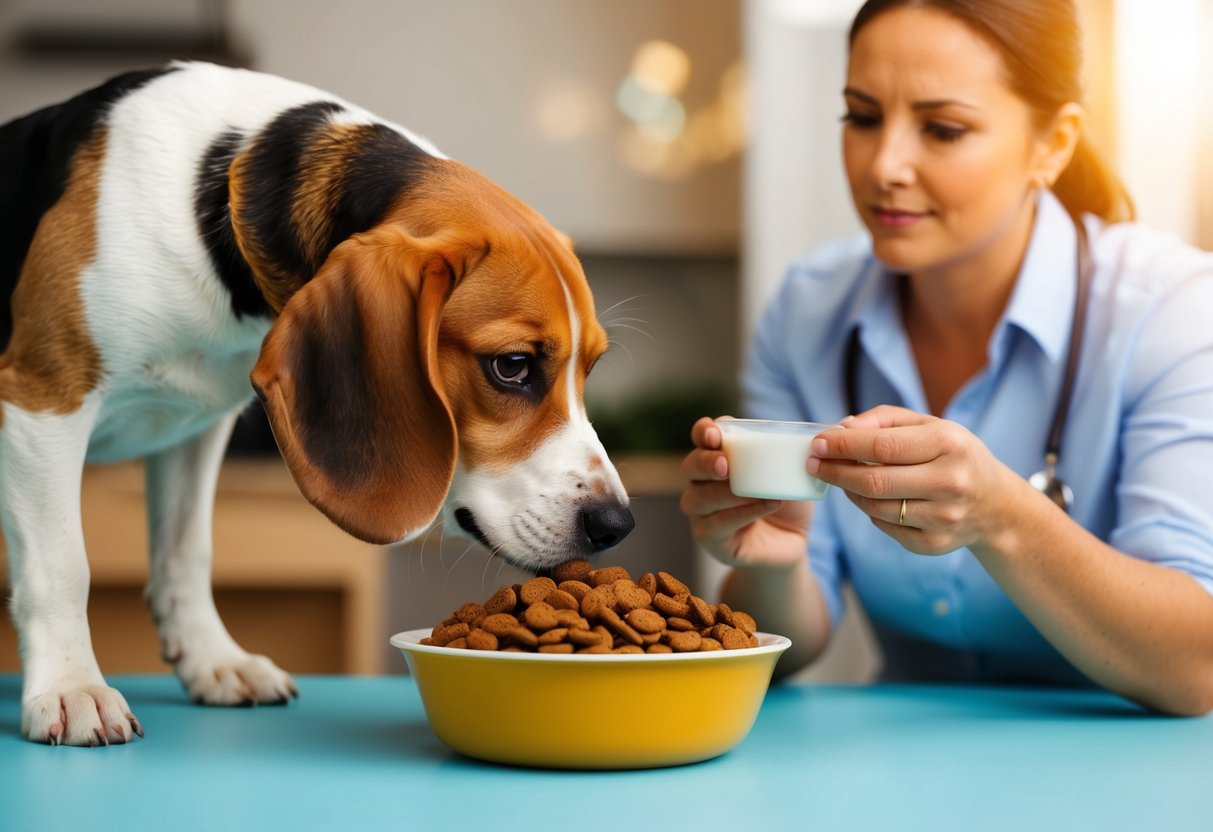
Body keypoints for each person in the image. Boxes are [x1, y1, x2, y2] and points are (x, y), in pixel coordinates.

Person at [680, 0, 1213, 715]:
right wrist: (772, 565)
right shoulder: (807, 311)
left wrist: (1001, 516)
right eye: (862, 117)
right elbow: (788, 642)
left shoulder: (1174, 309)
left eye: (942, 129)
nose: (884, 165)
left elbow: (1194, 669)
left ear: (1052, 144)